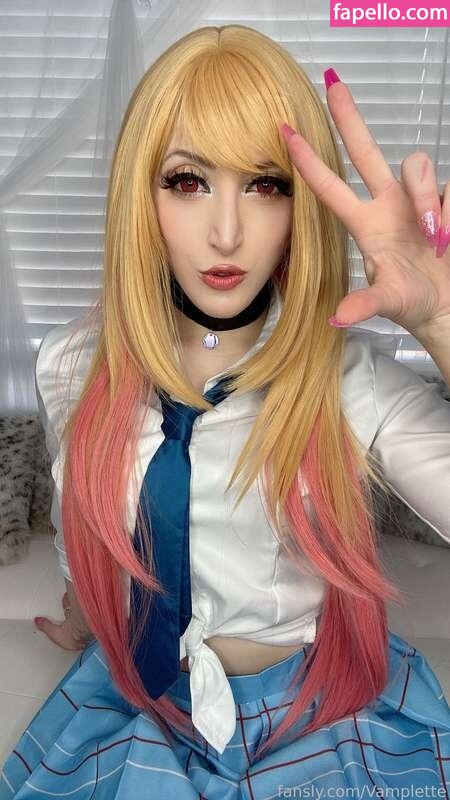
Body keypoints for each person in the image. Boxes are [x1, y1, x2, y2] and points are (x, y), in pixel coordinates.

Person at [1, 23, 450, 799]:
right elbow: (87, 515)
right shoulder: (72, 363)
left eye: (267, 185)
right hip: (141, 699)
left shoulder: (349, 382)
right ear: (142, 194)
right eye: (188, 181)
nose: (228, 231)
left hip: (312, 713)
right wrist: (86, 613)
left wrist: (442, 325)